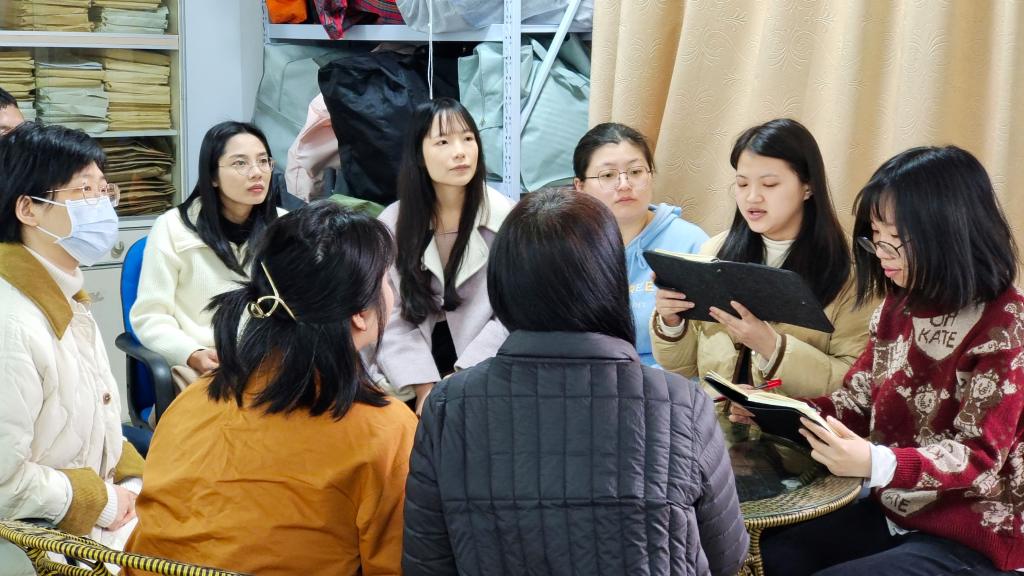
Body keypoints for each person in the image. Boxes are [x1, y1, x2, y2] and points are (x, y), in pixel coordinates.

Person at [403, 189, 749, 576]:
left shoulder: (449, 406)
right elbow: (727, 555)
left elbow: (426, 562)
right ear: (609, 279)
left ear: (503, 284)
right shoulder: (681, 404)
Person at [732, 146, 1024, 575]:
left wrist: (875, 462)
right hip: (895, 512)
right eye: (874, 235)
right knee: (763, 555)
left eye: (895, 238)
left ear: (950, 231)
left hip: (975, 534)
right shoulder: (897, 308)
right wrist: (774, 409)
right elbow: (854, 403)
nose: (880, 252)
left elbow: (978, 459)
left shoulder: (1007, 324)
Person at [125, 201, 418, 575]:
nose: (391, 290)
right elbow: (396, 565)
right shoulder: (385, 431)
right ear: (360, 314)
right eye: (386, 281)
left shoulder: (193, 399)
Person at [0, 122, 144, 574]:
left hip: (98, 520)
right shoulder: (11, 323)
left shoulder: (65, 295)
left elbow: (97, 420)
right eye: (84, 191)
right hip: (41, 544)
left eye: (104, 190)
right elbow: (3, 483)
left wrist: (132, 483)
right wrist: (102, 500)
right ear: (28, 209)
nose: (102, 205)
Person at [651, 118, 874, 396]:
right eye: (742, 184)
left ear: (808, 187)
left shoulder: (851, 272)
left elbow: (854, 381)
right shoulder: (714, 252)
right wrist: (672, 323)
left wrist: (772, 346)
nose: (752, 197)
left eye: (769, 184)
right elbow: (682, 368)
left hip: (796, 425)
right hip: (714, 421)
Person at [377, 97, 513, 413]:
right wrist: (424, 386)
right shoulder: (392, 224)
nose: (460, 152)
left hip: (485, 362)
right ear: (419, 155)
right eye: (443, 141)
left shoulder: (506, 218)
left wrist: (462, 377)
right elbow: (388, 313)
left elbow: (513, 313)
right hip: (411, 368)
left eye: (468, 138)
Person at [130, 121, 284, 392]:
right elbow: (150, 317)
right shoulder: (173, 227)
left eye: (263, 161)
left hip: (273, 368)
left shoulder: (287, 227)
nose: (257, 172)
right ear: (212, 176)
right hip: (206, 369)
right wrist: (192, 353)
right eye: (240, 163)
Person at [573, 122, 708, 365]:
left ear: (651, 176)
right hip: (589, 378)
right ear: (580, 187)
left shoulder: (691, 244)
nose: (625, 184)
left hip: (668, 382)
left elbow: (709, 347)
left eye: (635, 172)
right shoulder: (568, 247)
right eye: (608, 175)